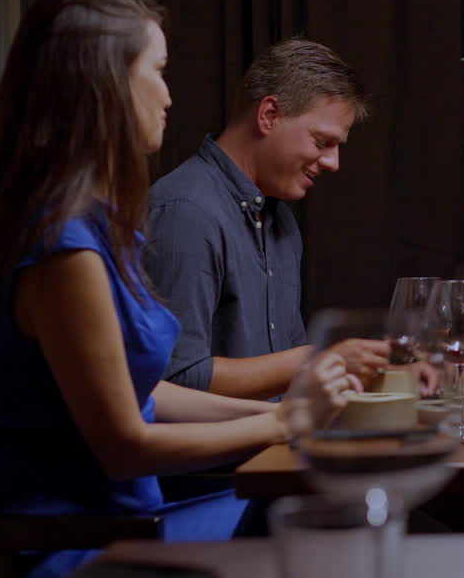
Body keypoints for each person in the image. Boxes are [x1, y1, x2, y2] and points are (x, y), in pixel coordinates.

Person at [0, 0, 294, 578]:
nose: (168, 96)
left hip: (129, 522)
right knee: (320, 517)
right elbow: (124, 445)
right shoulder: (64, 250)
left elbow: (144, 394)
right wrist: (283, 425)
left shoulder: (96, 229)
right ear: (106, 86)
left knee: (319, 506)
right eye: (157, 71)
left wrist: (283, 412)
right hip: (80, 548)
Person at [146, 39, 394, 400]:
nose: (333, 162)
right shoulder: (185, 212)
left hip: (277, 446)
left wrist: (385, 370)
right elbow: (174, 380)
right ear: (269, 115)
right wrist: (319, 359)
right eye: (322, 141)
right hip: (223, 456)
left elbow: (286, 381)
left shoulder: (280, 219)